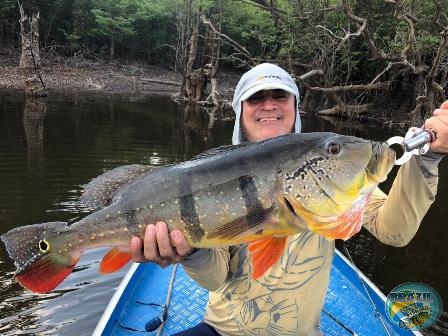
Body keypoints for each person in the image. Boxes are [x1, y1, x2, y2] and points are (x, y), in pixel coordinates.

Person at [130, 63, 448, 335]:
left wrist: (427, 159)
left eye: (280, 95)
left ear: (295, 108)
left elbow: (394, 230)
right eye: (256, 98)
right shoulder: (211, 180)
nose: (269, 105)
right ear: (240, 112)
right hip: (223, 330)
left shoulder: (334, 179)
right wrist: (191, 252)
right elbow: (215, 280)